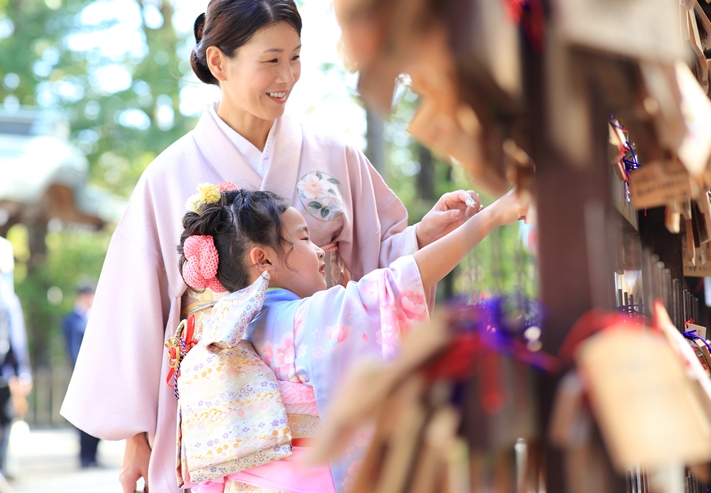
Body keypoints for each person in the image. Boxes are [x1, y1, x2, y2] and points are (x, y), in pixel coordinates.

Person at [60, 1, 481, 491]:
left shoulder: (333, 154)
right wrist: (137, 435)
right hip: (214, 409)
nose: (288, 75)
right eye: (271, 59)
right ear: (218, 62)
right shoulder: (167, 175)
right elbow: (135, 310)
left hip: (318, 400)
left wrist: (422, 236)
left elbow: (377, 270)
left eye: (296, 57)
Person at [174, 185, 526, 492]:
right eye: (303, 238)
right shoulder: (299, 320)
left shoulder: (231, 326)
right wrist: (492, 217)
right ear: (263, 259)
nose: (319, 252)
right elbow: (393, 288)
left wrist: (426, 235)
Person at [0, 237, 32, 479]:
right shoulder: (8, 299)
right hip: (5, 373)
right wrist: (23, 372)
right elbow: (16, 341)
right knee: (4, 422)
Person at [61, 284, 100, 469]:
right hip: (81, 373)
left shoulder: (93, 316)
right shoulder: (71, 320)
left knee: (98, 413)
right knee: (84, 414)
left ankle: (93, 455)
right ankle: (85, 457)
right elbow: (73, 349)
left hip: (97, 373)